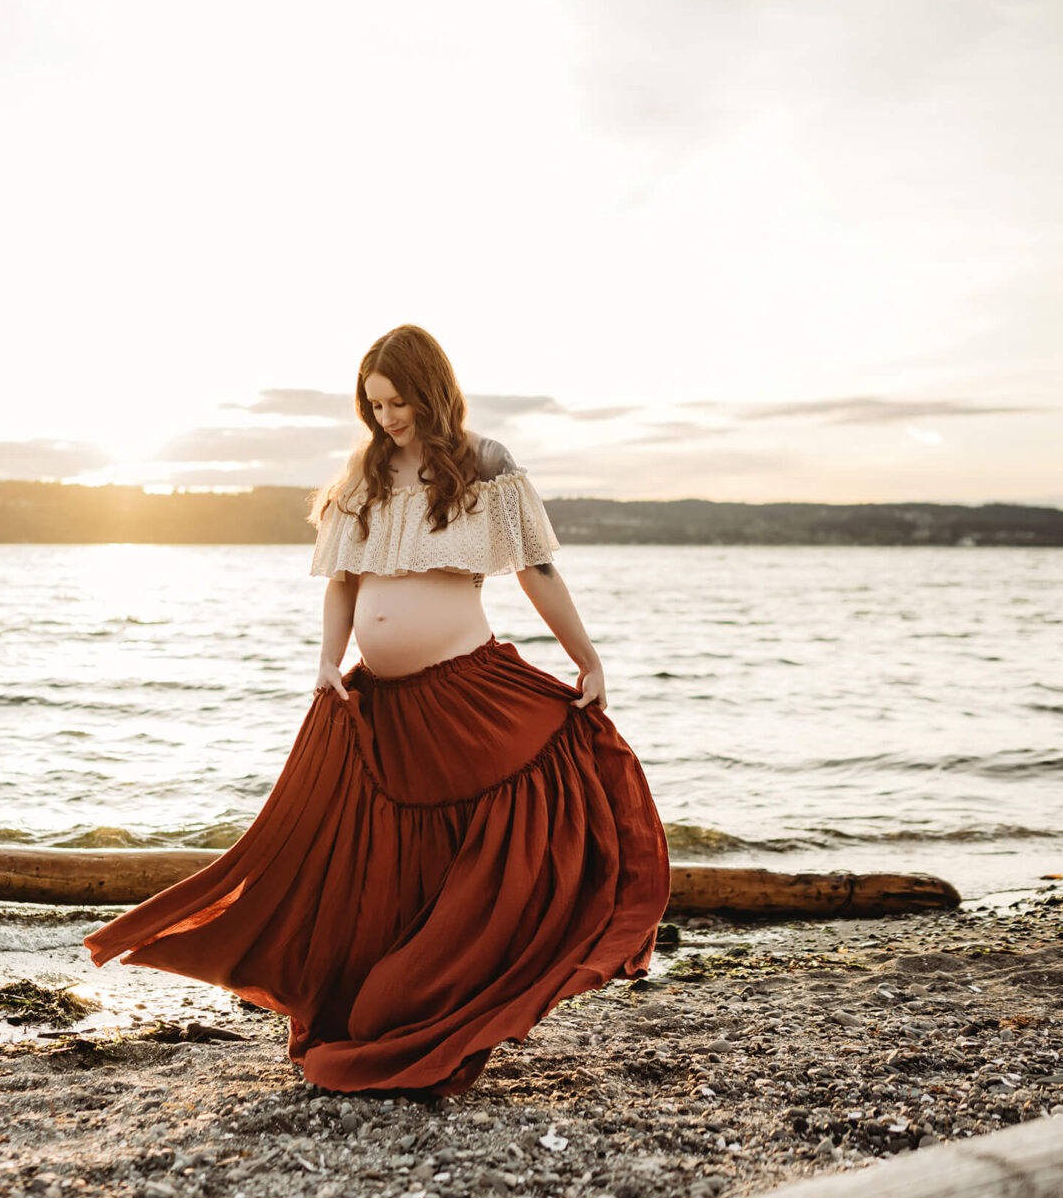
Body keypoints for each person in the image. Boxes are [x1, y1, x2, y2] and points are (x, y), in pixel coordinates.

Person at [83, 325, 670, 1096]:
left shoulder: (485, 464)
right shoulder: (364, 472)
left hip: (469, 695)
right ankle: (384, 1004)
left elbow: (538, 569)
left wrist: (586, 657)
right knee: (376, 861)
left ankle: (466, 998)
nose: (386, 416)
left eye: (396, 401)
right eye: (374, 404)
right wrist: (330, 659)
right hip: (385, 706)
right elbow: (343, 581)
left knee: (493, 840)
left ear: (430, 388)